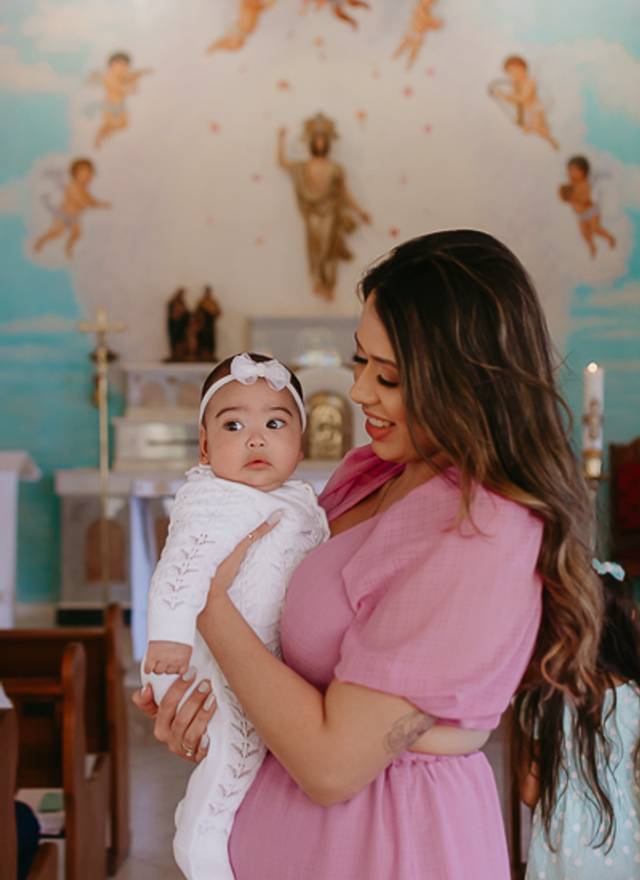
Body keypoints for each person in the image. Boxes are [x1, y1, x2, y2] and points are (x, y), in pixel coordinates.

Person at [134, 230, 605, 879]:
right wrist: (212, 710)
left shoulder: (483, 527)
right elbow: (289, 666)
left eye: (388, 377)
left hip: (390, 847)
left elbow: (331, 766)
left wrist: (209, 605)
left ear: (467, 382)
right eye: (360, 363)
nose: (358, 394)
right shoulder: (375, 470)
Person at [142, 351, 329, 879]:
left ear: (300, 441)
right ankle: (200, 852)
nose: (255, 438)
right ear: (204, 446)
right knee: (233, 760)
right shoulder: (213, 499)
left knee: (256, 760)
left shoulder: (295, 499)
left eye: (274, 423)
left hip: (256, 660)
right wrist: (170, 639)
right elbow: (181, 567)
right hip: (208, 665)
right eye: (233, 424)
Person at [517, 561, 640, 878]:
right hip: (627, 845)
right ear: (630, 621)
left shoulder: (544, 698)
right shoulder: (636, 699)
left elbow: (529, 793)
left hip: (559, 848)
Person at [278, 114, 371, 301]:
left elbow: (344, 194)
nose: (320, 143)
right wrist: (280, 139)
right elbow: (283, 163)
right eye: (317, 140)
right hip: (312, 213)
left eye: (323, 140)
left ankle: (329, 284)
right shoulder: (303, 167)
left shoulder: (335, 168)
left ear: (327, 143)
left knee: (328, 248)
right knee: (314, 248)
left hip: (330, 212)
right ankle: (317, 281)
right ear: (312, 142)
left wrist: (360, 212)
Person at [34, 158, 110, 259]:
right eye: (84, 173)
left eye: (89, 174)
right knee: (57, 232)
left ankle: (68, 248)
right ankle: (41, 241)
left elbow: (91, 199)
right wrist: (86, 204)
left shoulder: (84, 189)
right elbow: (78, 199)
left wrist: (100, 204)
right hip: (63, 214)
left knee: (77, 232)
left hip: (74, 217)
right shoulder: (72, 186)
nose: (87, 176)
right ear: (75, 174)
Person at [489, 55, 559, 150]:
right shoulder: (515, 84)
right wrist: (501, 95)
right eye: (509, 72)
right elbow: (514, 100)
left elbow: (523, 98)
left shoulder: (530, 81)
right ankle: (539, 132)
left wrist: (503, 96)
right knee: (524, 126)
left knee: (539, 127)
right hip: (525, 110)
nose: (513, 74)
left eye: (515, 70)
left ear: (524, 69)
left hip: (535, 108)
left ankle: (551, 140)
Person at [558, 155, 616, 258]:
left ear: (584, 172)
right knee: (584, 233)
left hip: (591, 211)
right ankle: (592, 246)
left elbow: (584, 199)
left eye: (575, 170)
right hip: (581, 215)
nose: (572, 173)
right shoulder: (569, 185)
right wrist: (564, 195)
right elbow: (564, 198)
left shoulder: (584, 184)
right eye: (570, 170)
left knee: (595, 229)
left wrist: (573, 197)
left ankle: (609, 238)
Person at [93, 52, 152, 150]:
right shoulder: (109, 77)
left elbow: (131, 77)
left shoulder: (123, 76)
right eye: (119, 64)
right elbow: (119, 88)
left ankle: (106, 135)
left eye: (125, 65)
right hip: (110, 105)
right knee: (109, 123)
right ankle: (99, 138)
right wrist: (129, 88)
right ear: (111, 65)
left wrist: (141, 73)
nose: (122, 68)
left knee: (123, 124)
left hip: (120, 104)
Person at [393, 0, 443, 69]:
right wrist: (433, 22)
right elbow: (425, 20)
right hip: (413, 32)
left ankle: (408, 65)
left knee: (413, 51)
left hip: (417, 35)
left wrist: (435, 23)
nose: (431, 5)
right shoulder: (419, 9)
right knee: (403, 46)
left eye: (432, 3)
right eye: (430, 3)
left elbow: (431, 24)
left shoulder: (427, 12)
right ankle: (395, 58)